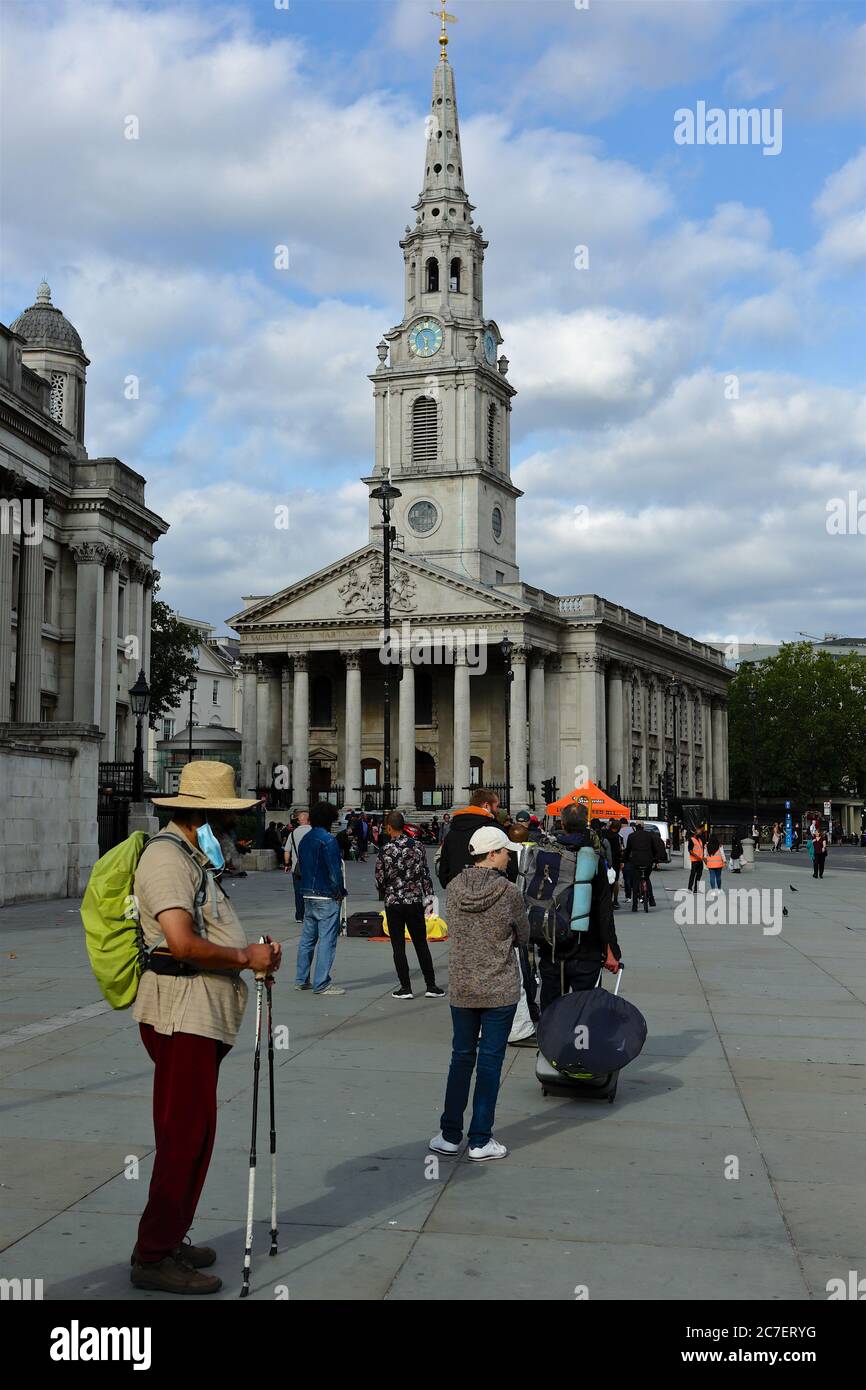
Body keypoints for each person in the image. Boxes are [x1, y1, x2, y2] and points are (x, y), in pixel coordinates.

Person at [131, 761, 281, 1294]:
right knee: (184, 1136)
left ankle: (169, 1237)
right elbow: (182, 944)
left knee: (193, 1133)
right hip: (181, 1011)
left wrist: (252, 957)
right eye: (225, 813)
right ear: (205, 813)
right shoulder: (167, 860)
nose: (232, 824)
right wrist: (245, 955)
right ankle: (152, 1255)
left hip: (200, 1012)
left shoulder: (192, 856)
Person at [429, 826, 529, 1162]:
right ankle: (480, 1139)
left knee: (460, 1057)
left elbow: (454, 928)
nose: (509, 856)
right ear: (492, 854)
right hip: (498, 986)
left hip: (463, 985)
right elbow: (524, 933)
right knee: (489, 1063)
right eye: (505, 851)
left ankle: (449, 1134)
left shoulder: (454, 888)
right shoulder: (510, 891)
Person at [535, 805, 621, 1014]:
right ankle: (582, 1044)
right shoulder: (594, 858)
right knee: (586, 1009)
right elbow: (604, 908)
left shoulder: (547, 853)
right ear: (587, 823)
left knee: (552, 1008)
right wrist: (611, 950)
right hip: (587, 947)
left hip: (552, 945)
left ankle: (551, 1043)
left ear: (562, 824)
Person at [375, 811, 444, 1000]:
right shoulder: (418, 846)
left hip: (394, 902)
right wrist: (429, 898)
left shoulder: (385, 850)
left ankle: (405, 988)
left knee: (398, 946)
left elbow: (379, 880)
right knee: (421, 943)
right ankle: (431, 985)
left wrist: (387, 889)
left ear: (389, 827)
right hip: (414, 900)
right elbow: (425, 875)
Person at [295, 802, 346, 995]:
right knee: (327, 940)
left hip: (308, 892)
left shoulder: (306, 839)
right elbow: (334, 870)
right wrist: (339, 892)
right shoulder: (328, 840)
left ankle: (301, 979)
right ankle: (321, 982)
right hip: (325, 894)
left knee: (307, 939)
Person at [437, 787, 500, 887]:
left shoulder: (452, 831)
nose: (498, 810)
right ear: (487, 805)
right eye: (497, 806)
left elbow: (444, 866)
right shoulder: (495, 830)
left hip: (458, 891)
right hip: (487, 891)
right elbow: (507, 863)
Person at [624, 820, 659, 909]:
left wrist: (625, 859)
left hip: (636, 861)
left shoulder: (631, 836)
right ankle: (651, 899)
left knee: (636, 881)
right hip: (648, 861)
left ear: (635, 827)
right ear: (643, 827)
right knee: (647, 878)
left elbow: (628, 850)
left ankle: (635, 905)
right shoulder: (649, 835)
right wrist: (655, 859)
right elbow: (654, 849)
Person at [283, 810, 311, 923]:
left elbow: (287, 851)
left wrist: (287, 864)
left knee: (298, 892)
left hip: (297, 868)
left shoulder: (292, 833)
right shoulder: (313, 832)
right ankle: (311, 915)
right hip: (311, 868)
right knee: (312, 892)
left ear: (299, 821)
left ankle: (299, 916)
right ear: (309, 820)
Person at [606, 817, 623, 907]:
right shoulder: (617, 837)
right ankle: (615, 900)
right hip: (614, 860)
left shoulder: (605, 834)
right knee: (615, 880)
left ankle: (606, 899)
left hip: (604, 859)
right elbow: (618, 850)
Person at [619, 819, 635, 899]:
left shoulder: (620, 831)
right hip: (634, 854)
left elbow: (620, 844)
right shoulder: (633, 829)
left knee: (627, 877)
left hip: (625, 854)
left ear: (621, 824)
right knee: (634, 875)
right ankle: (637, 893)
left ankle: (628, 896)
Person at [687, 828, 705, 893]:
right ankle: (689, 888)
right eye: (699, 833)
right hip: (694, 860)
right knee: (693, 874)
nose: (700, 835)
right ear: (696, 833)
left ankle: (696, 889)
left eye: (701, 833)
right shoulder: (691, 840)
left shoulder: (700, 840)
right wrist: (696, 857)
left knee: (699, 875)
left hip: (700, 861)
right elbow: (690, 850)